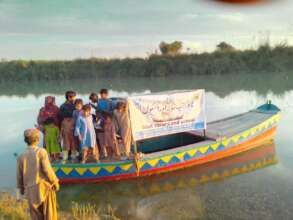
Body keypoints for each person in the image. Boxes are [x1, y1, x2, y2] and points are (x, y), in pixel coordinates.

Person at [17, 128, 59, 220]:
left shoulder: (21, 156)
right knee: (49, 215)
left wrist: (20, 192)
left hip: (30, 190)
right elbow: (47, 170)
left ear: (25, 140)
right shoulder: (41, 152)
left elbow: (19, 176)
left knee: (36, 216)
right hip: (44, 188)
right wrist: (55, 182)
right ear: (37, 139)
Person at [59, 91, 78, 163]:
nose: (74, 98)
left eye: (74, 96)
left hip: (74, 125)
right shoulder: (63, 106)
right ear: (69, 97)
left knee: (73, 142)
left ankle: (73, 156)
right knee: (66, 142)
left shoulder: (75, 104)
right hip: (66, 125)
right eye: (73, 97)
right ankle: (65, 157)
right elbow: (61, 116)